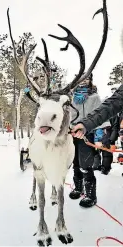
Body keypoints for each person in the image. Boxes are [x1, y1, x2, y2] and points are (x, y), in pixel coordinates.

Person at [69, 73, 110, 208]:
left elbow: (100, 117)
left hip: (88, 135)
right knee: (75, 163)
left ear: (90, 81)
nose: (83, 81)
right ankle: (78, 187)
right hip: (73, 135)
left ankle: (91, 195)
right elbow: (69, 117)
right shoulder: (73, 98)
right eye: (81, 79)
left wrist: (99, 136)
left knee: (85, 165)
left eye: (86, 79)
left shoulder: (94, 97)